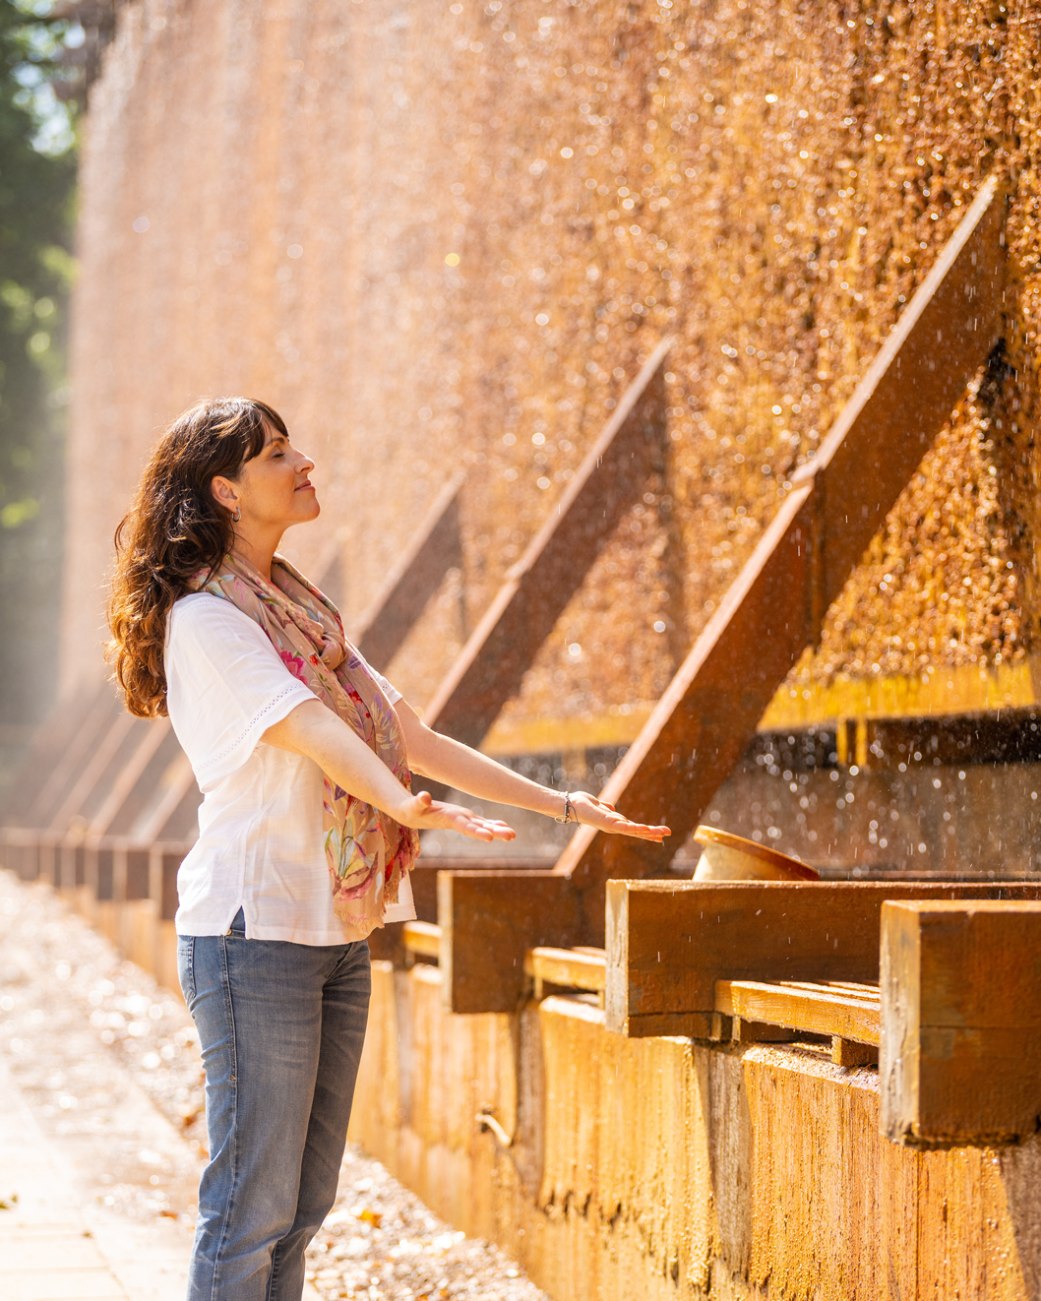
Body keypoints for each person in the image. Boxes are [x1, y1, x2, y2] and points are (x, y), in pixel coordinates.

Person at [107, 396, 670, 1301]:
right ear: (224, 488)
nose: (305, 464)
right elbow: (312, 732)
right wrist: (403, 803)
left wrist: (562, 804)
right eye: (279, 454)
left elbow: (414, 734)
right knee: (250, 1205)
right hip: (251, 934)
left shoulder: (301, 611)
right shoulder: (209, 621)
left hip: (330, 927)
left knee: (303, 1203)